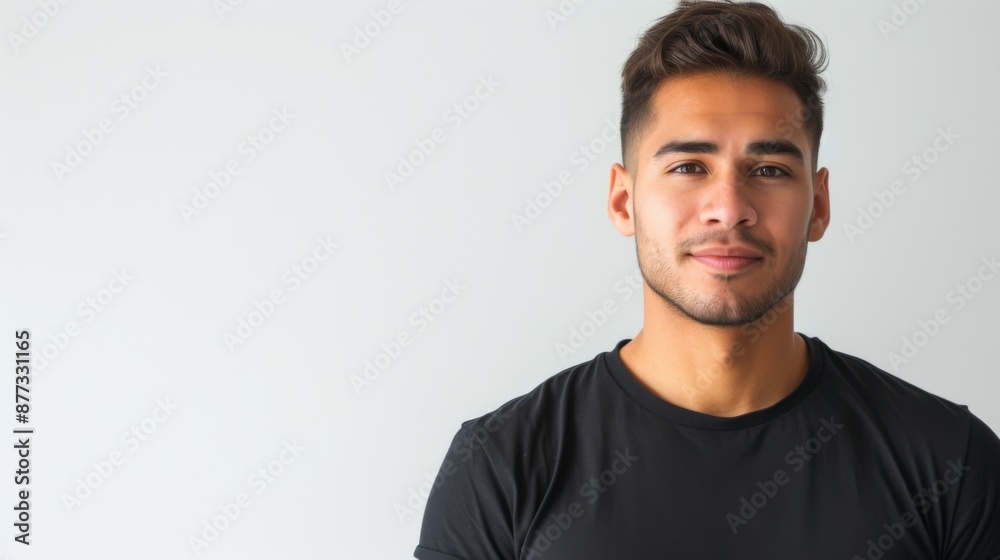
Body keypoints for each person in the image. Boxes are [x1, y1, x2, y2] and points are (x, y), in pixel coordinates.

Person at [412, 1, 1000, 558]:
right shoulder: (501, 465)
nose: (729, 206)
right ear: (623, 201)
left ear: (818, 205)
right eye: (689, 167)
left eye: (768, 169)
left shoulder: (951, 460)